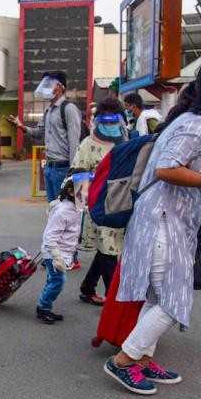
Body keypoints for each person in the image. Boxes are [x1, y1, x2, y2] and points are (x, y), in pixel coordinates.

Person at [104, 61, 201, 395]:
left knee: (156, 297)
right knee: (172, 302)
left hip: (165, 221)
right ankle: (123, 361)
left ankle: (140, 358)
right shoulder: (196, 126)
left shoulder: (195, 123)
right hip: (161, 222)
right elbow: (169, 169)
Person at [74, 98, 128, 306]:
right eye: (105, 119)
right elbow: (78, 173)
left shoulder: (128, 141)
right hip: (98, 206)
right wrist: (80, 209)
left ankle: (87, 287)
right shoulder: (88, 144)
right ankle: (115, 301)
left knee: (109, 247)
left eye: (114, 119)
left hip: (122, 206)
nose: (110, 124)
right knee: (108, 249)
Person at [10, 71, 82, 202]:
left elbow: (74, 142)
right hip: (49, 168)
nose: (44, 88)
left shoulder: (68, 109)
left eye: (48, 84)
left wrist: (72, 173)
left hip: (63, 168)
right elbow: (39, 133)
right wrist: (21, 126)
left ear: (59, 87)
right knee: (53, 208)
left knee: (64, 209)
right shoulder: (49, 110)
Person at [36, 169, 85, 324]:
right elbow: (50, 237)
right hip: (55, 252)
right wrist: (57, 257)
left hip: (64, 251)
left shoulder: (76, 206)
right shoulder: (63, 211)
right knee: (58, 281)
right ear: (71, 192)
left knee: (53, 280)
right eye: (86, 190)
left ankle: (45, 305)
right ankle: (43, 308)